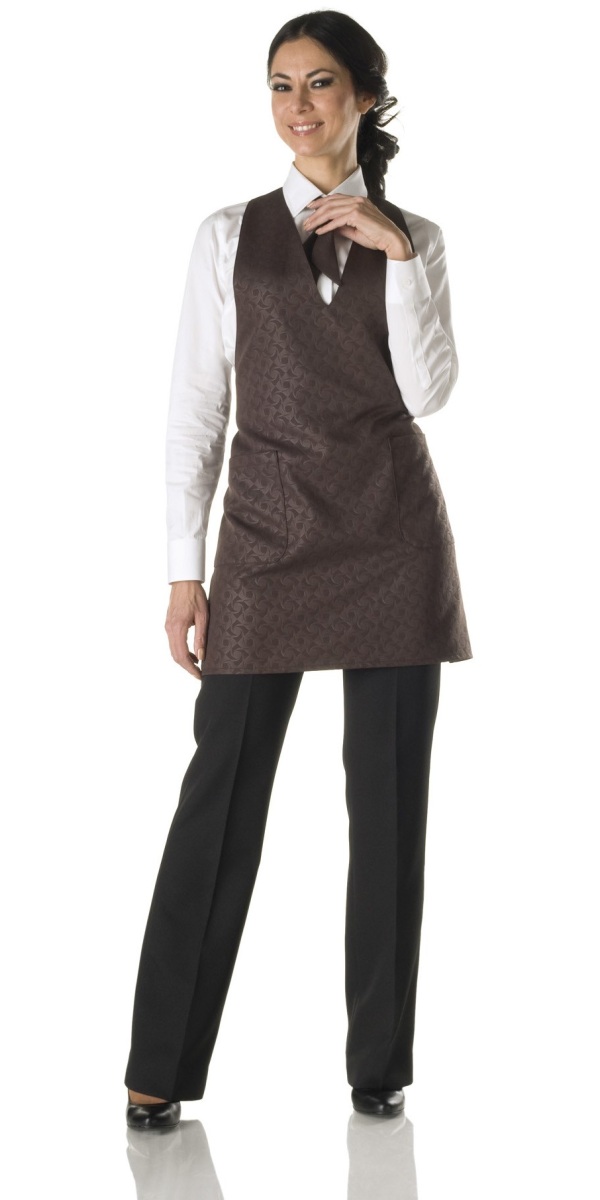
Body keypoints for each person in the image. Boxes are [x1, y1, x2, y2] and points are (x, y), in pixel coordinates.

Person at [125, 8, 472, 1131]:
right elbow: (195, 409)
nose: (299, 106)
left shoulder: (420, 237)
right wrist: (184, 571)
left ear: (365, 95)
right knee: (219, 797)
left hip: (392, 539)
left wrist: (398, 257)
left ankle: (380, 1065)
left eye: (321, 83)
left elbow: (427, 395)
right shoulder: (224, 234)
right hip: (266, 539)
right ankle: (160, 1063)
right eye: (281, 85)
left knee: (390, 810)